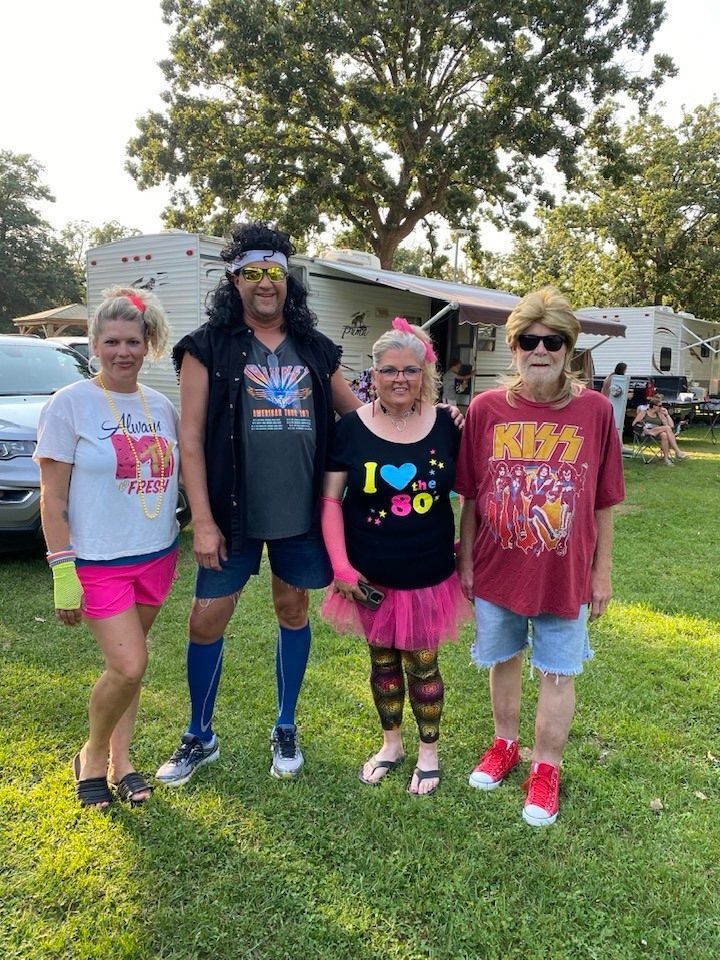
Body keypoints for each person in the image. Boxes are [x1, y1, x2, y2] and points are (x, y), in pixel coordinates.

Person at [155, 221, 362, 786]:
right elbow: (190, 439)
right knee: (207, 619)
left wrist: (427, 417)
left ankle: (285, 725)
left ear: (288, 279)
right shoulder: (207, 346)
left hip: (300, 517)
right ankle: (200, 733)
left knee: (292, 612)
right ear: (235, 279)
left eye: (274, 272)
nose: (265, 283)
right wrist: (201, 520)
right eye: (253, 273)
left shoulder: (316, 350)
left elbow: (360, 418)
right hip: (229, 516)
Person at [456, 286, 625, 826]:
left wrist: (602, 574)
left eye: (553, 341)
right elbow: (472, 495)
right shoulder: (486, 409)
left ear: (568, 348)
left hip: (564, 571)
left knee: (557, 670)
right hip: (497, 567)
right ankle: (505, 744)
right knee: (502, 659)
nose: (541, 350)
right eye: (529, 340)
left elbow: (603, 502)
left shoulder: (596, 411)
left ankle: (546, 767)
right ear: (513, 346)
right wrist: (464, 561)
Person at [35, 287, 179, 809]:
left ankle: (124, 760)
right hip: (98, 562)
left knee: (130, 668)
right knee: (130, 666)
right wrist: (61, 567)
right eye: (112, 341)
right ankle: (93, 757)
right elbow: (52, 497)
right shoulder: (69, 404)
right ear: (94, 345)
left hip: (157, 555)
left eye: (133, 341)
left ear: (148, 345)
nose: (123, 351)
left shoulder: (160, 406)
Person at [320, 318, 471, 795]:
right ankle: (392, 745)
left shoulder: (449, 425)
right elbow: (328, 502)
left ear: (424, 372)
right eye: (389, 370)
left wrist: (465, 550)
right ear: (375, 373)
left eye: (409, 370)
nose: (399, 379)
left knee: (423, 663)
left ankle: (429, 750)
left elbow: (468, 493)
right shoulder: (350, 428)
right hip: (370, 575)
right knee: (382, 662)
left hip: (428, 573)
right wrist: (341, 568)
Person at [632, 393, 689, 465]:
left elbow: (671, 426)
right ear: (654, 406)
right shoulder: (644, 413)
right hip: (645, 433)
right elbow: (634, 424)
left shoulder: (660, 414)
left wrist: (667, 415)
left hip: (656, 433)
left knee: (664, 434)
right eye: (660, 406)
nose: (661, 407)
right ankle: (677, 452)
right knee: (666, 429)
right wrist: (642, 425)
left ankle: (666, 459)